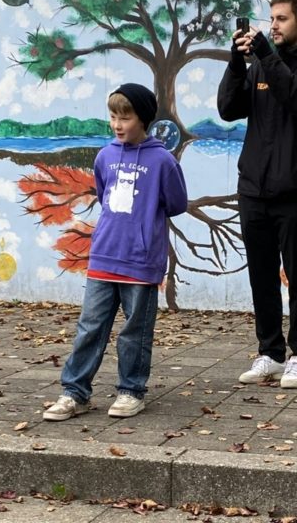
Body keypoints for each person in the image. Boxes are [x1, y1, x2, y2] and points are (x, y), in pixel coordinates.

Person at [217, 0, 297, 389]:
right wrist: (237, 63)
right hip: (254, 188)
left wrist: (266, 56)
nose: (274, 26)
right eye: (271, 19)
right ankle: (269, 352)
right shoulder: (258, 66)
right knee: (261, 275)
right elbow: (228, 109)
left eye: (282, 19)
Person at [44, 84, 187, 420]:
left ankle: (131, 391)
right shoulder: (105, 156)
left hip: (141, 260)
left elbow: (176, 202)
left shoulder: (163, 161)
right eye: (113, 117)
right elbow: (104, 194)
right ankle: (74, 393)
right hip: (104, 255)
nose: (118, 125)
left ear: (144, 119)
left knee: (135, 331)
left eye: (126, 117)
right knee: (90, 327)